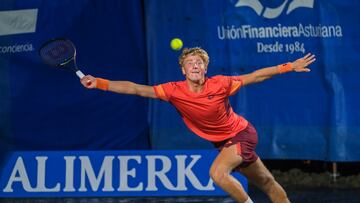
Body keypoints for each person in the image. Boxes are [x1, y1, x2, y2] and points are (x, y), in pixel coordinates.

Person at [80, 47, 315, 203]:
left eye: (199, 62)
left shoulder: (220, 84)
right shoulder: (173, 90)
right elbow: (135, 88)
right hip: (224, 143)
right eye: (190, 63)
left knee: (217, 173)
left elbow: (255, 76)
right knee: (266, 182)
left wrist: (287, 67)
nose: (194, 65)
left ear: (204, 69)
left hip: (242, 134)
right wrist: (99, 82)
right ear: (183, 71)